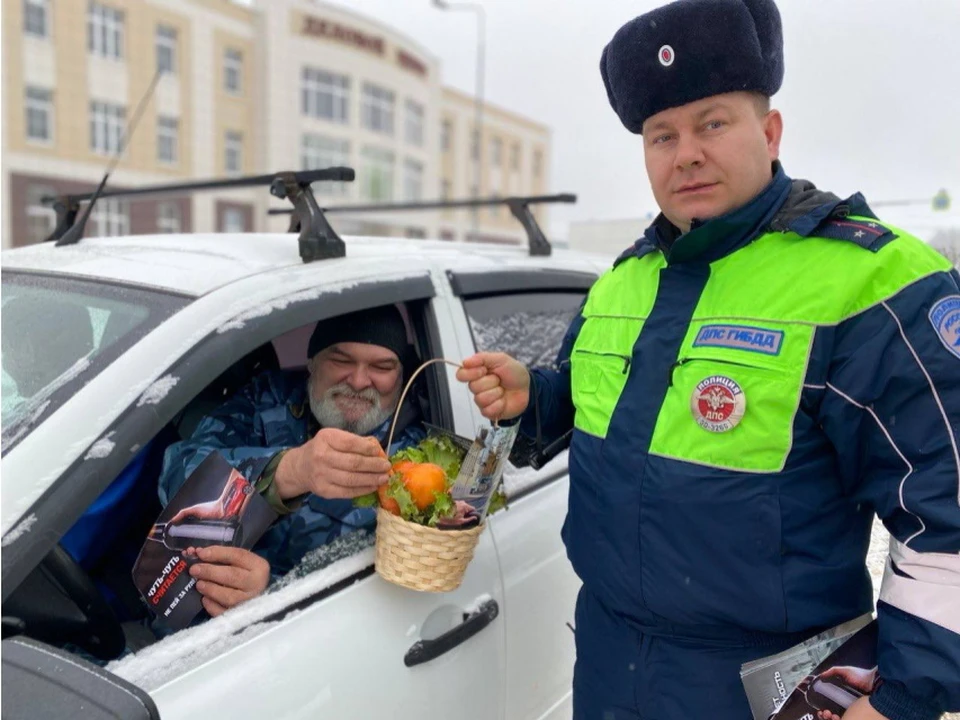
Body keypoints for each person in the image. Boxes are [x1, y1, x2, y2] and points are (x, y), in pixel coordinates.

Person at [457, 1, 960, 718]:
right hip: (608, 662)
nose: (685, 152)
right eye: (662, 134)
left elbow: (945, 510)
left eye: (712, 123)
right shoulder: (623, 280)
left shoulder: (872, 283)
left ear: (770, 130)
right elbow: (595, 409)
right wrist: (532, 398)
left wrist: (904, 697)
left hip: (771, 687)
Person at [159, 305, 425, 618]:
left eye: (381, 367)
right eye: (341, 360)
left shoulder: (418, 459)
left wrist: (271, 594)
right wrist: (288, 471)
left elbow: (394, 599)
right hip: (172, 614)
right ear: (312, 362)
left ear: (401, 376)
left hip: (285, 641)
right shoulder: (269, 396)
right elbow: (176, 473)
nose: (358, 380)